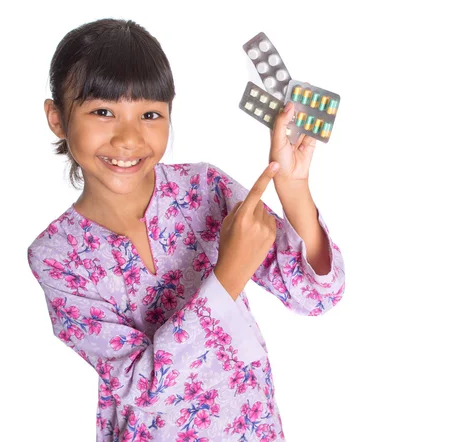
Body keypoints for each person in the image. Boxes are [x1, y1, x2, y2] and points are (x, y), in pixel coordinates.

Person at [27, 18, 345, 442]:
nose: (128, 138)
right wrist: (228, 275)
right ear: (57, 118)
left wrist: (293, 188)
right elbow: (142, 385)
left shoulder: (202, 189)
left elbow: (317, 296)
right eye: (103, 112)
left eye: (150, 114)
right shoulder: (57, 256)